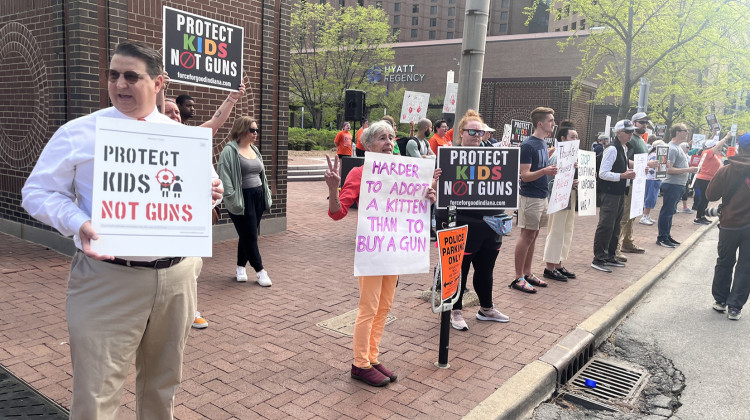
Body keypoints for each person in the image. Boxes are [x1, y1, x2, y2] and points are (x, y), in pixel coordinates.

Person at [21, 41, 223, 419]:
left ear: (159, 83)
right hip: (107, 277)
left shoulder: (184, 136)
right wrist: (77, 221)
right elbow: (37, 192)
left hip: (177, 277)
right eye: (113, 75)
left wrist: (212, 193)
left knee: (163, 386)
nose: (119, 84)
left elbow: (206, 192)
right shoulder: (80, 132)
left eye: (132, 76)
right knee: (96, 394)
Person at [324, 121, 438, 386]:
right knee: (369, 306)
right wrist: (333, 189)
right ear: (368, 145)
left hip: (395, 249)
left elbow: (414, 205)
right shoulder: (360, 173)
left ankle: (372, 356)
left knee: (384, 306)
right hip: (373, 250)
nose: (389, 143)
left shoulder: (403, 173)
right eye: (382, 138)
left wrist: (428, 195)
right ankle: (360, 363)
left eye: (391, 137)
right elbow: (337, 212)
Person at [163, 83, 246, 329]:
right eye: (168, 112)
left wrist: (231, 98)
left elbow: (215, 122)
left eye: (176, 112)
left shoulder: (189, 137)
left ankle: (190, 310)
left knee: (189, 265)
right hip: (161, 217)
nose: (175, 115)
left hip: (189, 217)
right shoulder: (146, 138)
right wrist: (158, 88)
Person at [436, 110, 511, 330]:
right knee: (459, 269)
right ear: (461, 133)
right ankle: (455, 310)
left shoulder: (496, 155)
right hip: (462, 222)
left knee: (486, 269)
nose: (478, 135)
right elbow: (439, 193)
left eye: (481, 132)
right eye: (472, 131)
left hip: (490, 224)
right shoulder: (449, 156)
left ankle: (486, 308)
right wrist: (437, 179)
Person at [218, 116, 273, 287]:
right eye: (252, 130)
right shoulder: (229, 151)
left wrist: (266, 192)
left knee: (247, 234)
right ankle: (260, 270)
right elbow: (224, 175)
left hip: (257, 196)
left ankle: (240, 267)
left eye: (256, 130)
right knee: (250, 236)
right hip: (242, 198)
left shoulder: (255, 150)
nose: (255, 133)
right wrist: (231, 197)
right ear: (242, 130)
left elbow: (261, 174)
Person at [511, 107, 558, 293]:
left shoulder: (543, 144)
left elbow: (541, 165)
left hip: (541, 194)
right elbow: (525, 175)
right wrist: (545, 171)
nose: (553, 124)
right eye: (551, 121)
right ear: (541, 123)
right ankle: (518, 277)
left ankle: (528, 272)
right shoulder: (528, 145)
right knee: (526, 235)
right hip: (530, 196)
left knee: (534, 234)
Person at [706, 133, 750, 320]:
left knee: (724, 262)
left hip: (729, 225)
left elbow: (711, 195)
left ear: (739, 148)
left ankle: (720, 300)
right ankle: (735, 308)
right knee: (746, 266)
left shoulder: (726, 170)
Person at [591, 120, 637, 272]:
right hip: (610, 192)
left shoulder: (622, 148)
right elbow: (603, 173)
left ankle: (610, 256)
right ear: (618, 133)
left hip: (618, 192)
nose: (631, 134)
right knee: (606, 225)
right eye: (628, 132)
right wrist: (622, 175)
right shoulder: (612, 149)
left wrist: (625, 175)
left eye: (631, 132)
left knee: (615, 225)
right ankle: (599, 258)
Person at [542, 122, 579, 282]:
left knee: (566, 230)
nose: (576, 139)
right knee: (556, 231)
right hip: (558, 199)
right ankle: (550, 266)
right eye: (572, 137)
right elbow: (548, 180)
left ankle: (558, 263)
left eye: (577, 137)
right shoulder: (557, 156)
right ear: (563, 138)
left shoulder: (572, 156)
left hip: (569, 196)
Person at [657, 123, 698, 248]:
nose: (687, 133)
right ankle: (662, 237)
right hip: (672, 184)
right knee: (667, 211)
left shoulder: (677, 147)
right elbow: (667, 170)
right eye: (684, 130)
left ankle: (666, 235)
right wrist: (688, 170)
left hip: (678, 184)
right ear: (677, 132)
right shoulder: (672, 148)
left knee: (671, 211)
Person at [616, 112, 651, 258]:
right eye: (641, 122)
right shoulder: (632, 141)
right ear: (634, 123)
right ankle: (616, 247)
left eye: (646, 123)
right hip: (629, 181)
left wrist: (645, 166)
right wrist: (642, 165)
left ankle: (628, 241)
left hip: (638, 182)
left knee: (633, 213)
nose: (644, 125)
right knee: (625, 215)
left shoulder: (641, 140)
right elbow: (625, 160)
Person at [693, 132, 731, 225]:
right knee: (703, 199)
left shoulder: (713, 155)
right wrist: (726, 138)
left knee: (706, 199)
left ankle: (702, 216)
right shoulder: (707, 152)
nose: (718, 148)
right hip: (703, 179)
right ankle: (698, 218)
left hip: (709, 180)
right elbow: (717, 145)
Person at [640, 139, 665, 225]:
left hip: (653, 179)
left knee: (651, 197)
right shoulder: (655, 155)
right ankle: (645, 216)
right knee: (650, 198)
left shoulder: (653, 154)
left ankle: (647, 215)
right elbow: (654, 168)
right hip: (652, 179)